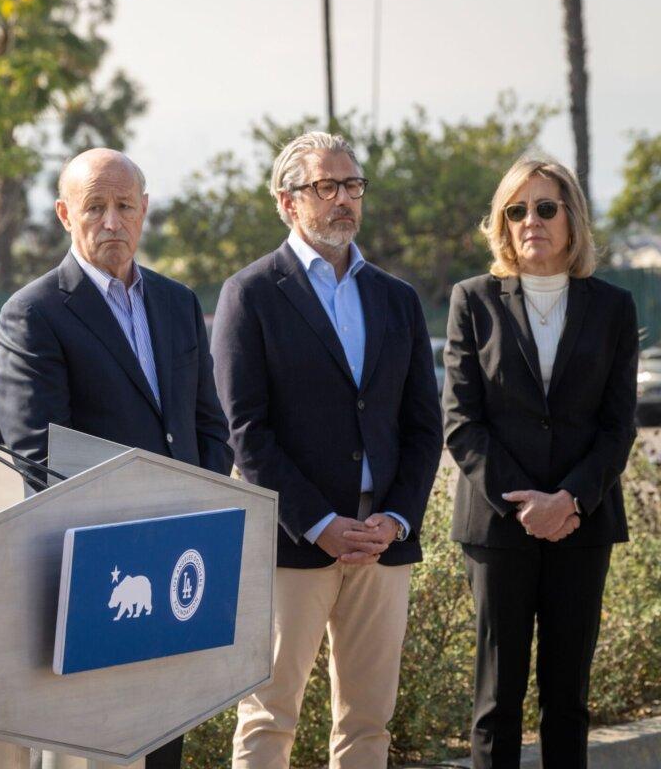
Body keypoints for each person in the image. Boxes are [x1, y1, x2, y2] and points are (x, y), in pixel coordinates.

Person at [0, 147, 233, 769]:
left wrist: (195, 510)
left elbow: (209, 425)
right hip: (94, 568)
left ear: (145, 212)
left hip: (178, 558)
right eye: (94, 206)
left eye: (125, 206)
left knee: (162, 742)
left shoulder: (178, 304)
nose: (111, 221)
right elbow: (39, 454)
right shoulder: (34, 313)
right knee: (94, 750)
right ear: (64, 214)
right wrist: (136, 526)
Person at [212, 132, 442, 768]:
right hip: (294, 544)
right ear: (288, 203)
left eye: (353, 186)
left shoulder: (396, 298)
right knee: (268, 718)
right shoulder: (251, 294)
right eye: (326, 187)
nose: (344, 199)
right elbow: (246, 431)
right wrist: (319, 524)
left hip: (383, 543)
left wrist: (394, 519)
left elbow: (424, 426)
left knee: (369, 724)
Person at [443, 157, 637, 768]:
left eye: (546, 207)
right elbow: (461, 421)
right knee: (496, 702)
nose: (532, 220)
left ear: (571, 217)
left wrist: (570, 500)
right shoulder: (472, 301)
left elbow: (617, 426)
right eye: (517, 210)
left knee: (568, 701)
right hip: (499, 530)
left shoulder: (612, 308)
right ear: (503, 223)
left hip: (583, 525)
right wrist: (524, 505)